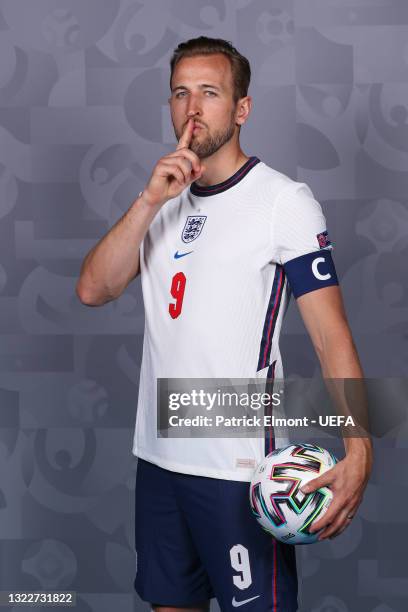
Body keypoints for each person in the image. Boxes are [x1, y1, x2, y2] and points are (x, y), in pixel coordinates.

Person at [76, 36, 372, 612]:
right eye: (181, 94)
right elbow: (93, 289)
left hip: (241, 474)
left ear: (242, 109)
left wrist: (358, 451)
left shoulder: (283, 201)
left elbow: (331, 334)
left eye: (210, 93)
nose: (193, 108)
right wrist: (147, 201)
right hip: (159, 463)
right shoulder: (161, 202)